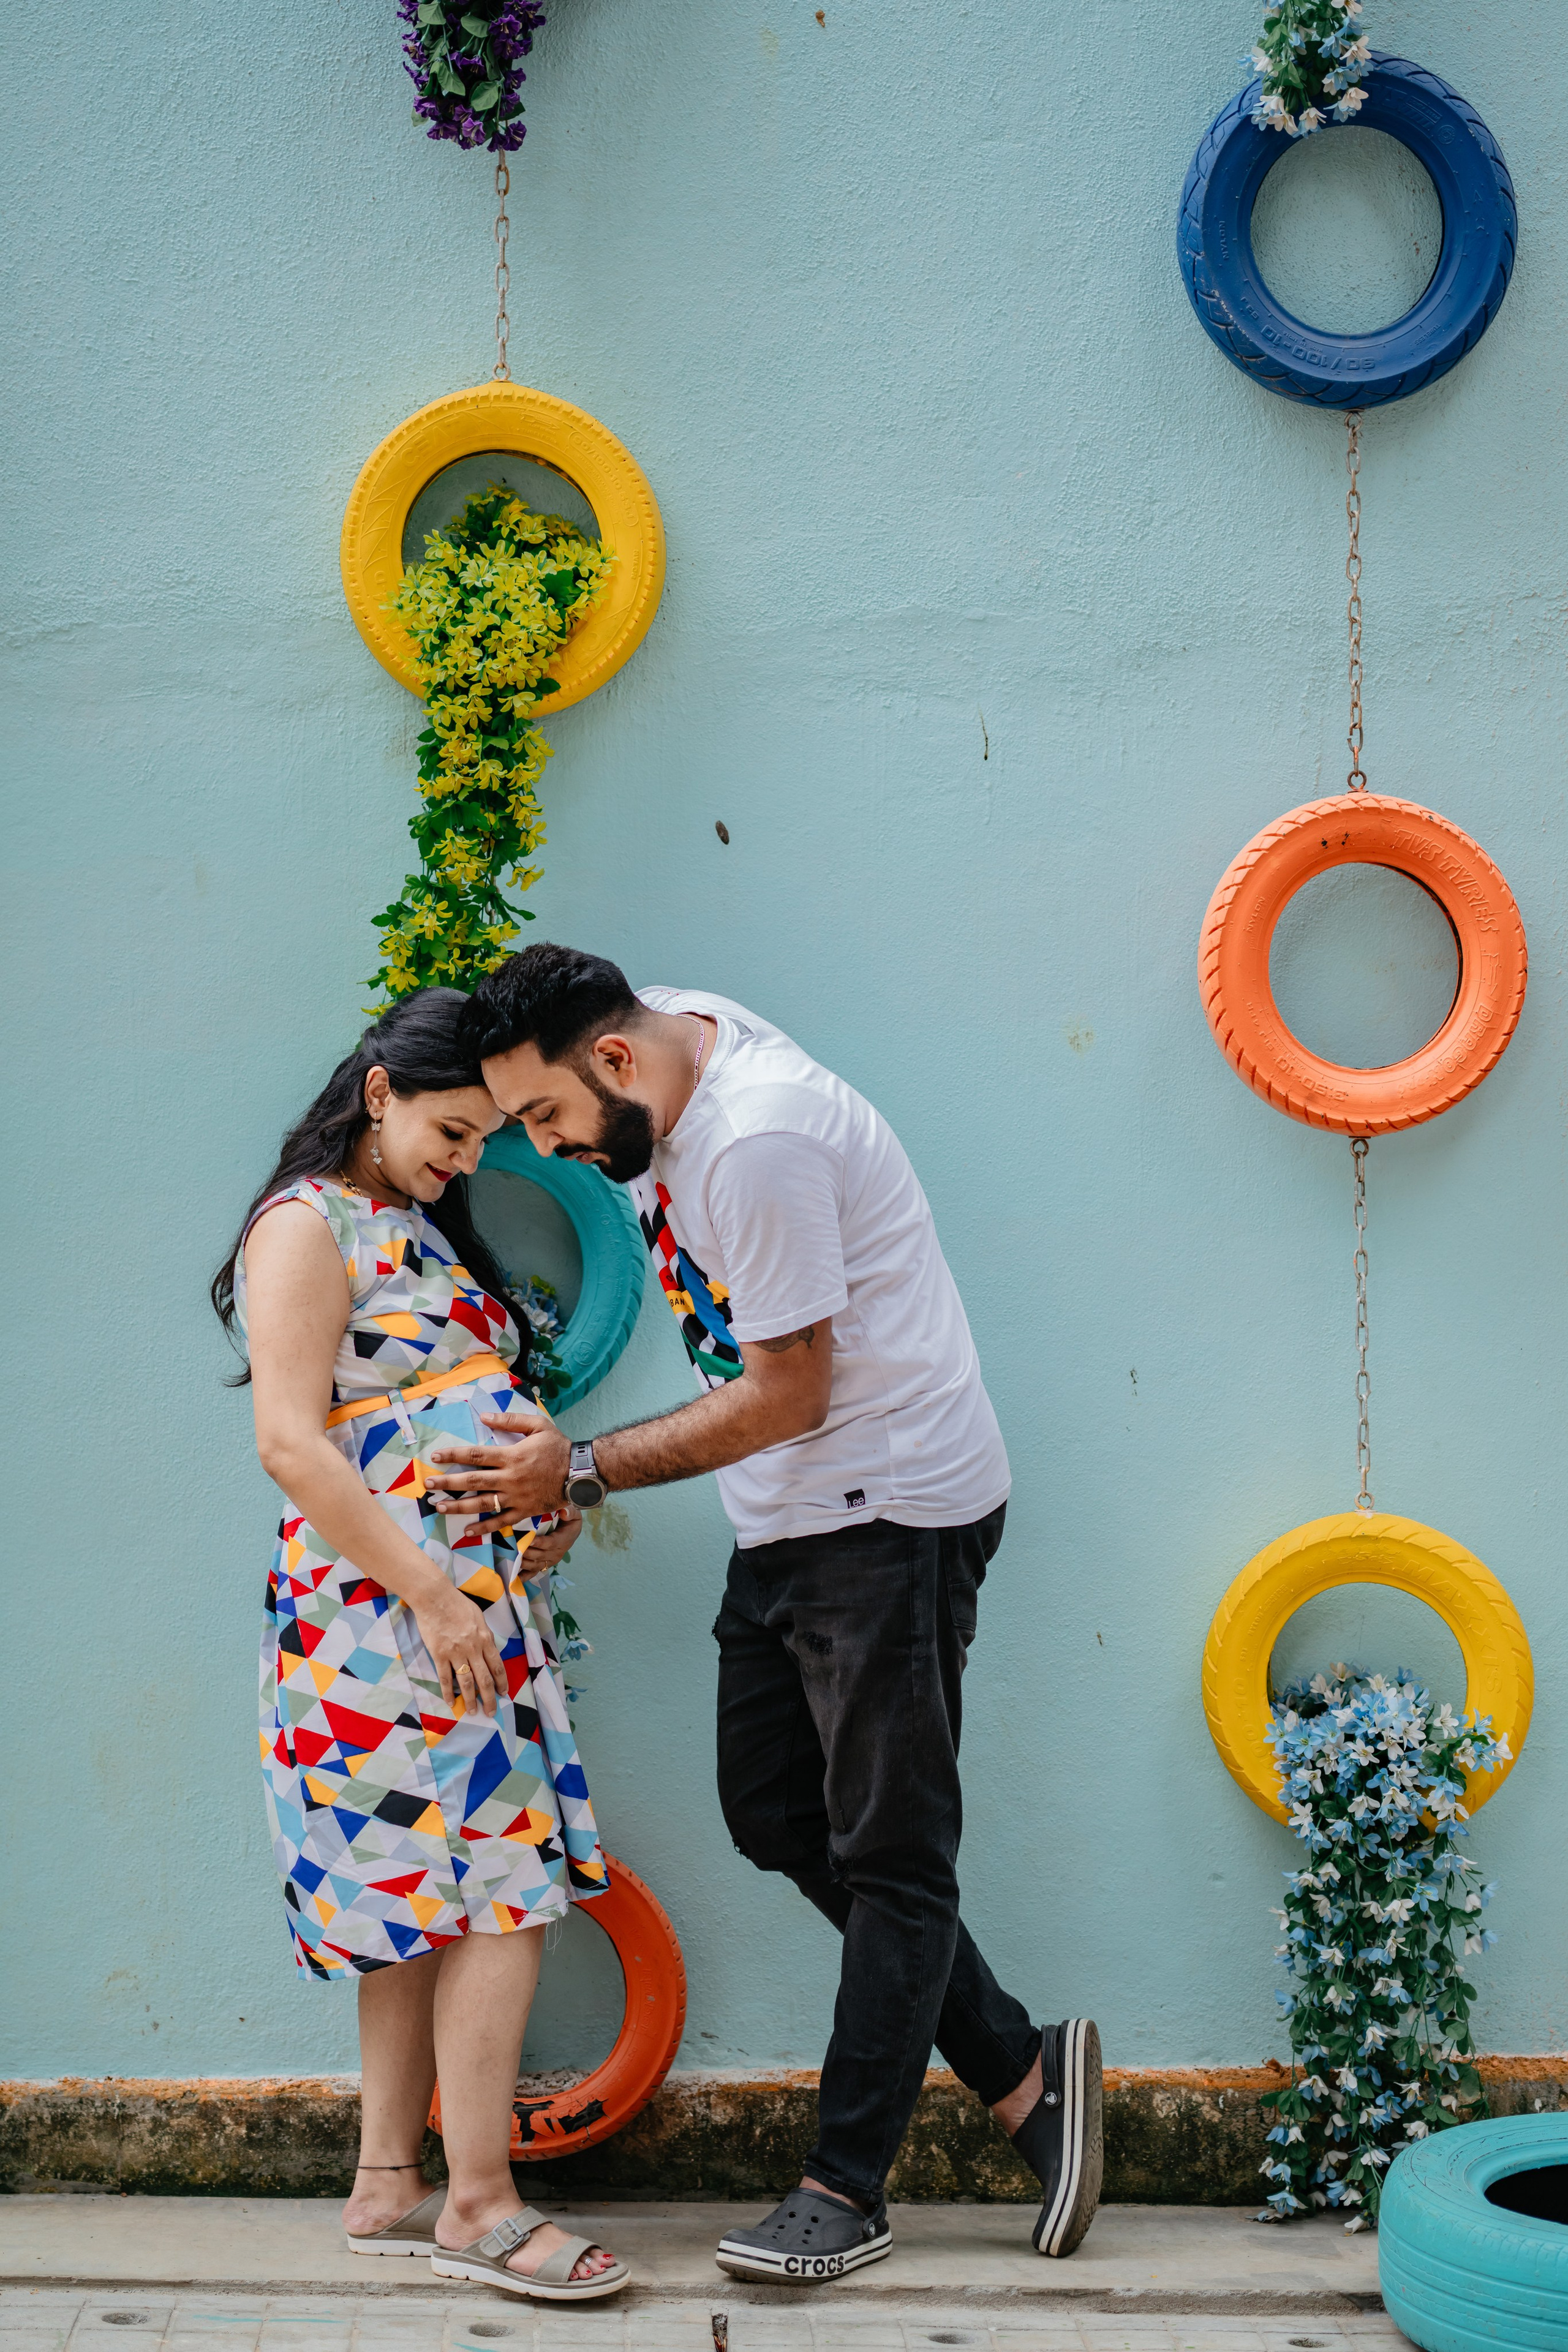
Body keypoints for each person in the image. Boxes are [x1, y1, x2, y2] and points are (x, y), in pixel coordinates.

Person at [422, 945, 1104, 2283]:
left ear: (616, 1065)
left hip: (889, 1509)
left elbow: (787, 1389)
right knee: (776, 1815)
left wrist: (582, 1464)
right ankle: (1026, 2073)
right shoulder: (679, 1035)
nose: (547, 1149)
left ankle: (844, 2187)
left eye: (549, 1121)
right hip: (789, 1511)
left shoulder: (758, 1143)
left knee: (892, 1852)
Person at [212, 989, 628, 2304]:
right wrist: (439, 1598)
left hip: (458, 1608)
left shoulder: (409, 1224)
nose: (466, 1160)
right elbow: (291, 1440)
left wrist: (531, 1519)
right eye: (452, 1131)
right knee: (498, 1896)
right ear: (380, 1092)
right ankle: (482, 2204)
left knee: (421, 1901)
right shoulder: (306, 1224)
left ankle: (391, 2179)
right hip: (392, 1618)